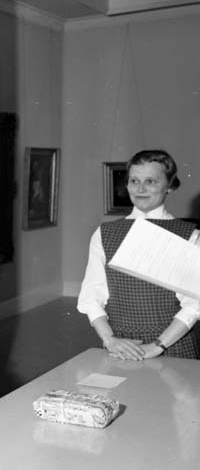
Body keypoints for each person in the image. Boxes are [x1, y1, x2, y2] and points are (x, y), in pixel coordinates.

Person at [78, 149, 200, 360]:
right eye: (134, 181)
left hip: (172, 345)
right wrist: (110, 340)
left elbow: (195, 303)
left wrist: (158, 346)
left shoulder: (189, 235)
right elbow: (91, 295)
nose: (140, 189)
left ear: (170, 185)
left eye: (151, 181)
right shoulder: (105, 233)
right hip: (119, 345)